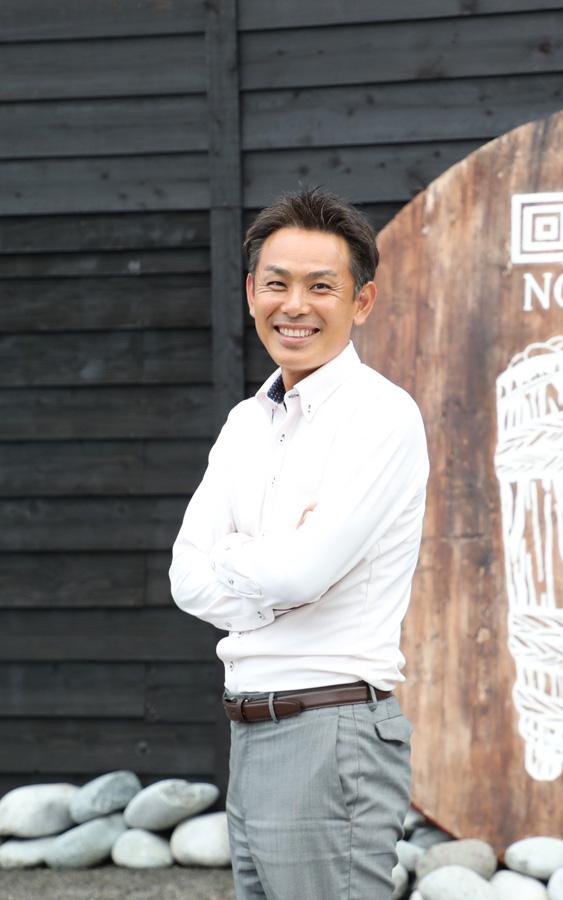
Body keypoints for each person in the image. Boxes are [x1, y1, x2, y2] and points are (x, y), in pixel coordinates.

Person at [169, 187, 428, 899]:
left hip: (329, 730)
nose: (295, 305)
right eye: (277, 283)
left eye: (321, 286)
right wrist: (272, 565)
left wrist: (243, 559)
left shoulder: (381, 417)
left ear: (361, 301)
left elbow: (301, 573)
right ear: (251, 292)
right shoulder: (245, 423)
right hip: (250, 728)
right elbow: (186, 577)